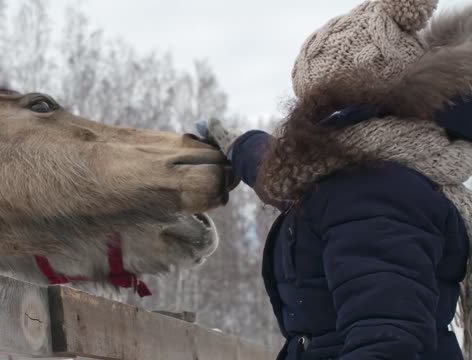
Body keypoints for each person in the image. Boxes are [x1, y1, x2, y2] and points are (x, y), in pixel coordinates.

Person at [198, 0, 472, 358]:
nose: (307, 123)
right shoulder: (360, 175)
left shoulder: (377, 193)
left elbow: (387, 342)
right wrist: (240, 146)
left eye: (322, 104)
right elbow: (301, 189)